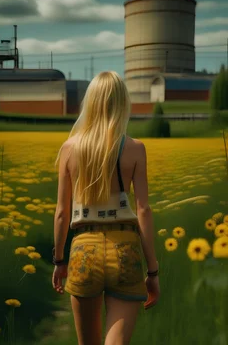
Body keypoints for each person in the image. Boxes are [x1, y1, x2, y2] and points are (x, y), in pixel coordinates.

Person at [52, 71, 160, 345]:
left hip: (83, 250)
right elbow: (144, 210)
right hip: (125, 249)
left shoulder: (69, 149)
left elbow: (62, 212)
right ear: (122, 103)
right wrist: (153, 271)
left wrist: (59, 260)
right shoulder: (136, 149)